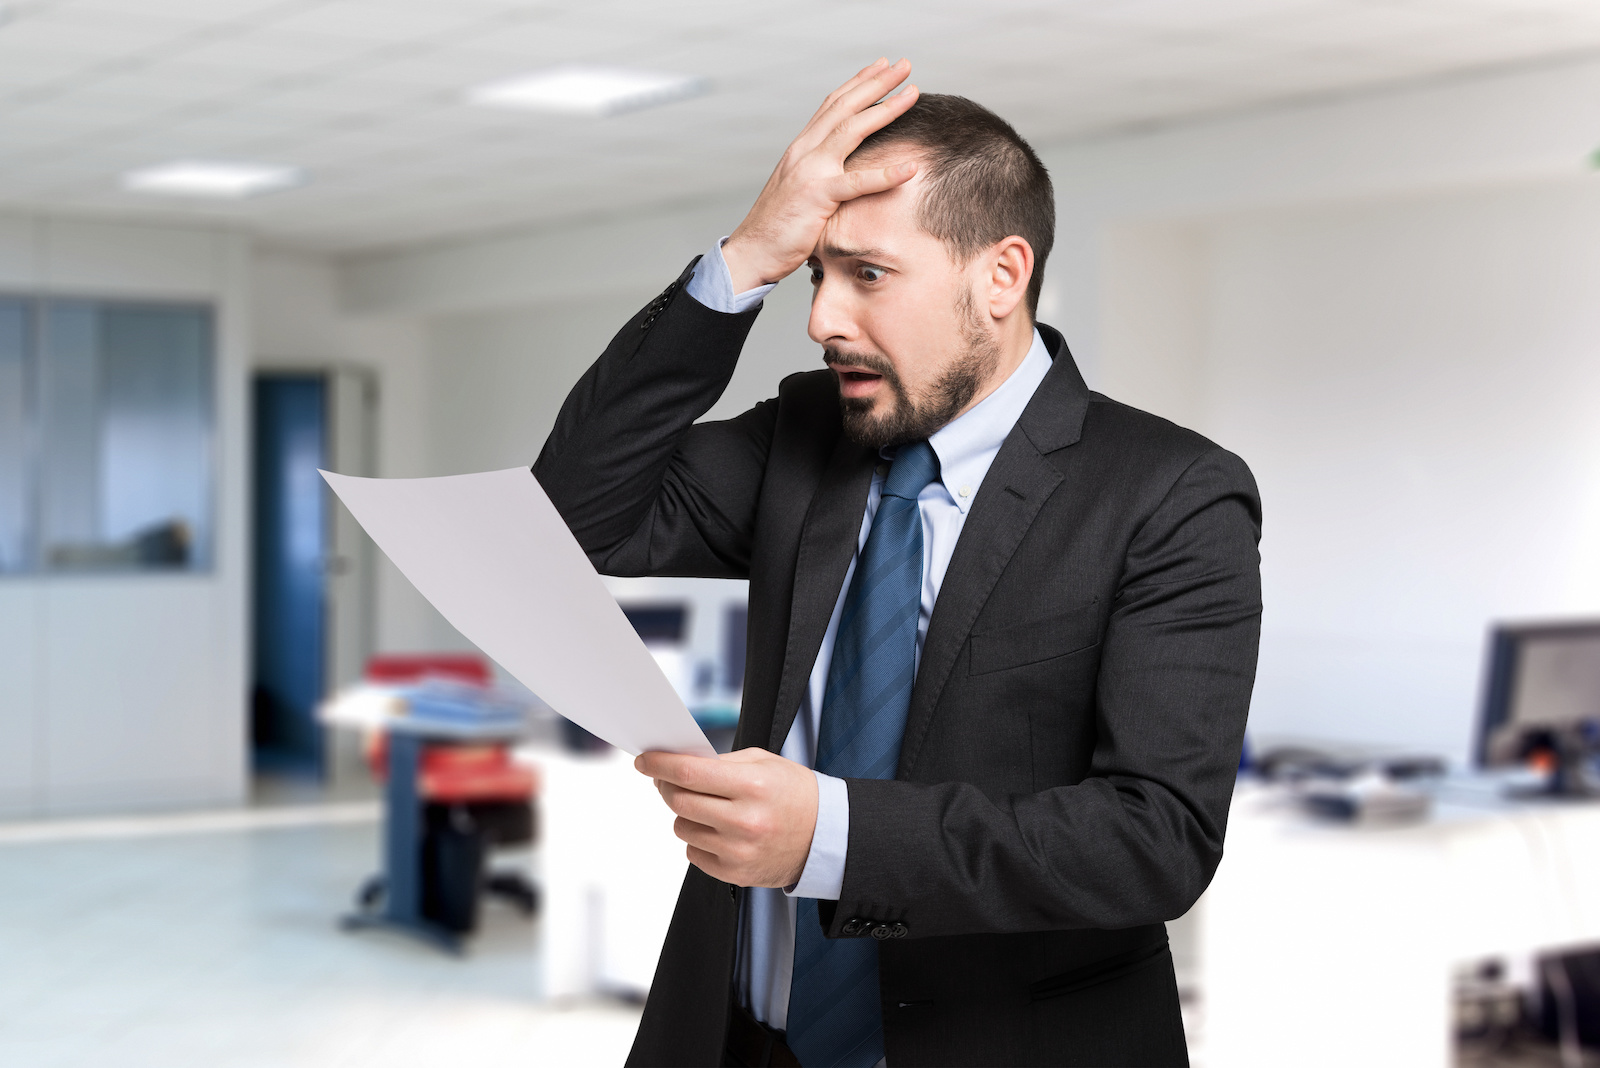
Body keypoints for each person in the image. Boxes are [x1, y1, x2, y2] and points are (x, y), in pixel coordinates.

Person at [533, 58, 1262, 1068]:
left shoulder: (1168, 493)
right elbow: (575, 515)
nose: (823, 318)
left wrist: (830, 835)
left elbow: (1155, 839)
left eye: (867, 275)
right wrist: (746, 256)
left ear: (998, 276)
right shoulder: (803, 435)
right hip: (736, 1039)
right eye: (816, 273)